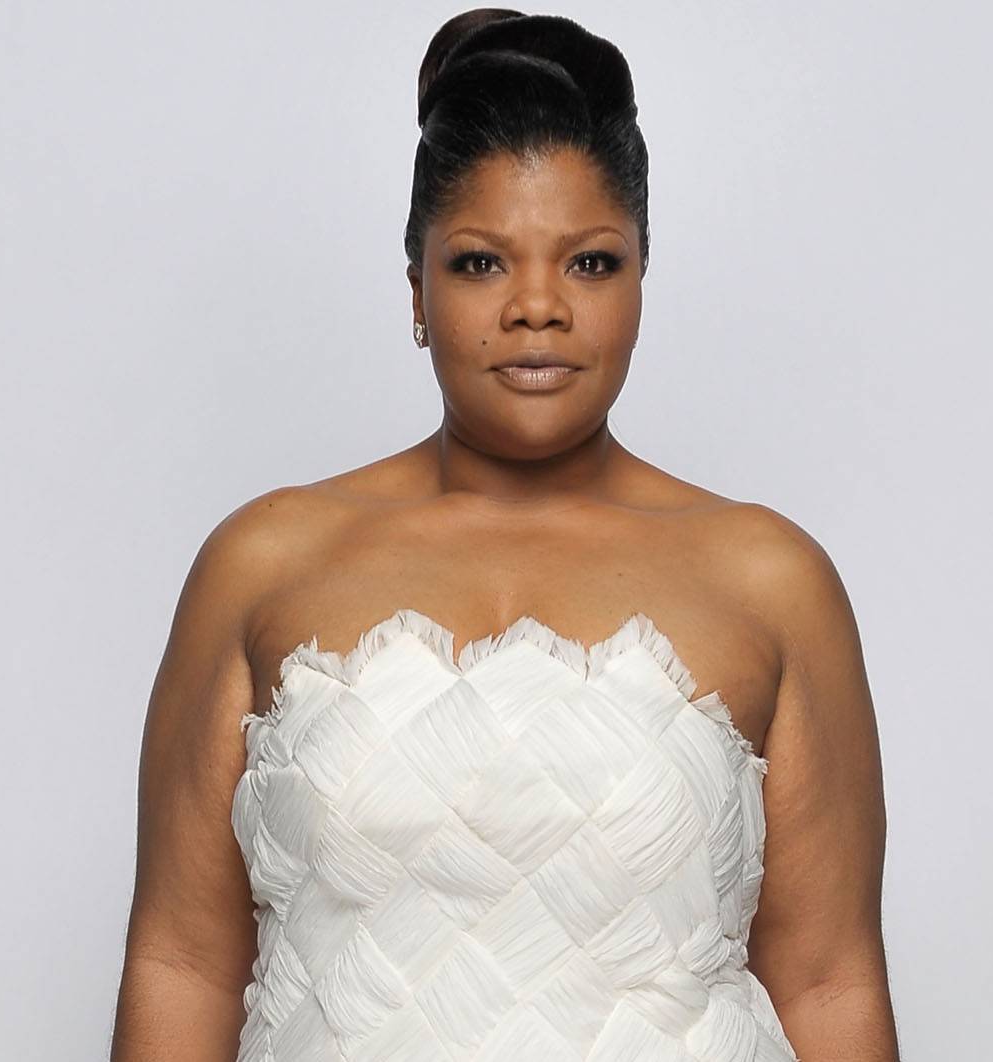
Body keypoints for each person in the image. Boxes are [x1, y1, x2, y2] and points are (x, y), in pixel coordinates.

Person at [109, 10, 897, 1060]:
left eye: (591, 263)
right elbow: (183, 963)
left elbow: (829, 979)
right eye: (481, 263)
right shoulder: (264, 563)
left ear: (642, 282)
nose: (536, 307)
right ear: (417, 289)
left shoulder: (771, 579)